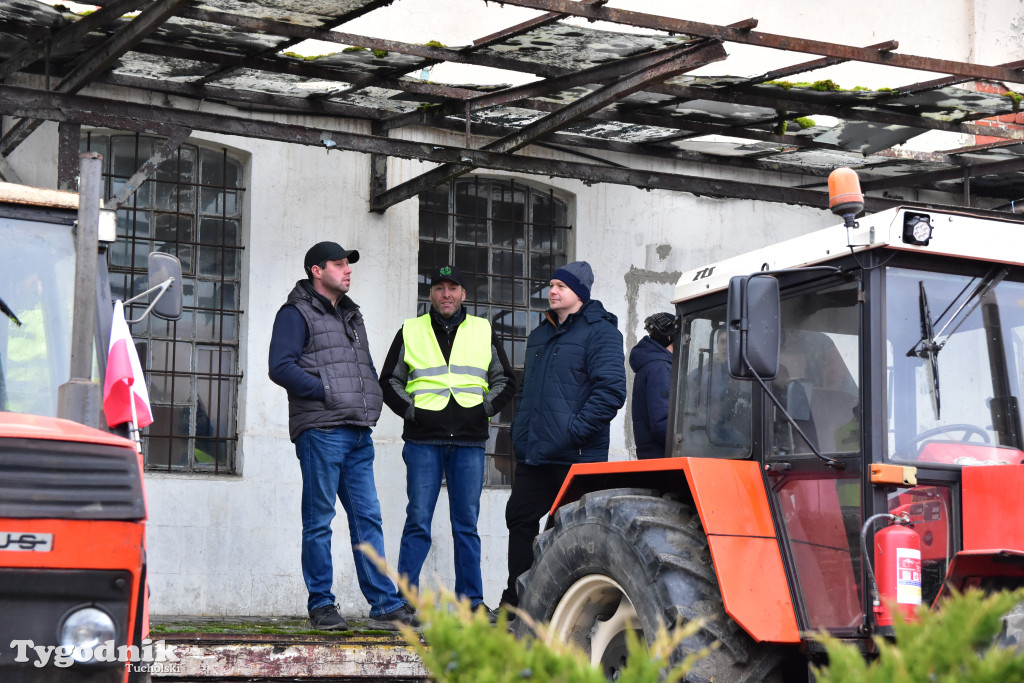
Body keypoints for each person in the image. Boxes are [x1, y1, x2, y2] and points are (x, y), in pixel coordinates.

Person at [268, 241, 416, 632]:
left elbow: (361, 366)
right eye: (338, 264)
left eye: (348, 264)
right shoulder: (295, 313)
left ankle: (384, 604)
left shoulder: (352, 316)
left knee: (368, 519)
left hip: (355, 431)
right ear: (317, 271)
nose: (347, 269)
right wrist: (328, 392)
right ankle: (322, 604)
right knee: (319, 520)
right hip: (320, 430)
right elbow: (280, 367)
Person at [378, 264, 516, 615]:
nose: (446, 294)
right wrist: (413, 412)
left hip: (469, 442)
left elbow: (506, 381)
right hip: (424, 441)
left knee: (465, 526)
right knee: (418, 521)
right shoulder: (411, 330)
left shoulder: (482, 330)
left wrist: (483, 409)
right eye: (439, 288)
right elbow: (389, 381)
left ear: (463, 294)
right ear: (431, 295)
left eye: (453, 288)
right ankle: (405, 602)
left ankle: (472, 603)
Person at [498, 260, 627, 613]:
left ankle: (555, 611)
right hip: (535, 452)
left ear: (580, 294)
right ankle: (516, 603)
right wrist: (520, 431)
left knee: (566, 533)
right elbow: (528, 391)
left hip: (576, 455)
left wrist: (574, 432)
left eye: (561, 286)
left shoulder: (601, 332)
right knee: (520, 520)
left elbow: (611, 391)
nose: (552, 291)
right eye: (551, 284)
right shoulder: (541, 334)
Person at [630, 312, 678, 459]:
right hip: (663, 456)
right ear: (671, 338)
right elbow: (662, 423)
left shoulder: (652, 364)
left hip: (652, 455)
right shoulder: (660, 368)